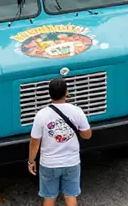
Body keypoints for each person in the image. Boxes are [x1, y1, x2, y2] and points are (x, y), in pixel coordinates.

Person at [28, 77, 92, 206]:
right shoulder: (77, 111)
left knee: (49, 198)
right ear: (66, 92)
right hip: (72, 162)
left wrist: (31, 161)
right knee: (70, 197)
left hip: (49, 164)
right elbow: (87, 135)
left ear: (50, 93)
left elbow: (35, 141)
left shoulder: (41, 115)